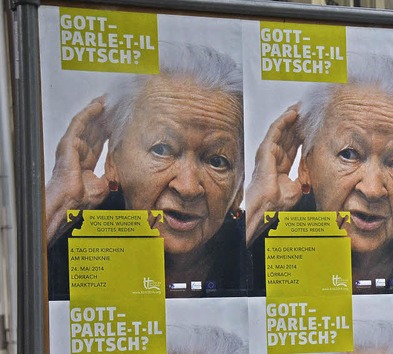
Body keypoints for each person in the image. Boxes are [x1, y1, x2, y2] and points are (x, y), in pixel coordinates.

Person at [46, 43, 248, 299]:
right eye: (162, 149)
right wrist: (62, 199)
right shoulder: (70, 239)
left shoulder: (256, 249)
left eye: (217, 161)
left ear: (239, 185)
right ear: (113, 161)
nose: (187, 187)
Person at [247, 53, 393, 294]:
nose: (372, 190)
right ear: (306, 166)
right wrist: (260, 204)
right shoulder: (267, 241)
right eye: (349, 154)